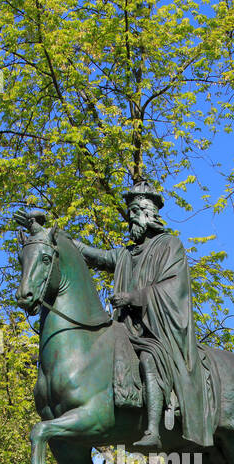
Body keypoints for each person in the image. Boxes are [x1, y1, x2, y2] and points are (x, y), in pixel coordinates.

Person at [74, 183, 213, 450]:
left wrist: (132, 297)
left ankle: (152, 432)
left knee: (149, 359)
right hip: (124, 330)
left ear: (150, 215)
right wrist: (61, 239)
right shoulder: (126, 253)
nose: (131, 217)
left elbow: (173, 289)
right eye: (130, 212)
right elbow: (97, 256)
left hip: (156, 332)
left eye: (137, 211)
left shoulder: (170, 246)